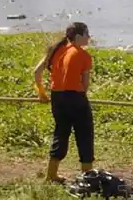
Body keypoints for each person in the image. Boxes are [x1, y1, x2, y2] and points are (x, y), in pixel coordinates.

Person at [33, 22, 94, 183]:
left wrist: (41, 93)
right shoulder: (83, 55)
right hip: (76, 97)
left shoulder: (55, 50)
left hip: (57, 98)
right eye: (87, 34)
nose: (89, 37)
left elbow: (36, 72)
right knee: (85, 135)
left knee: (61, 133)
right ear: (78, 36)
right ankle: (88, 178)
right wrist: (80, 97)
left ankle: (51, 175)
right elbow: (85, 85)